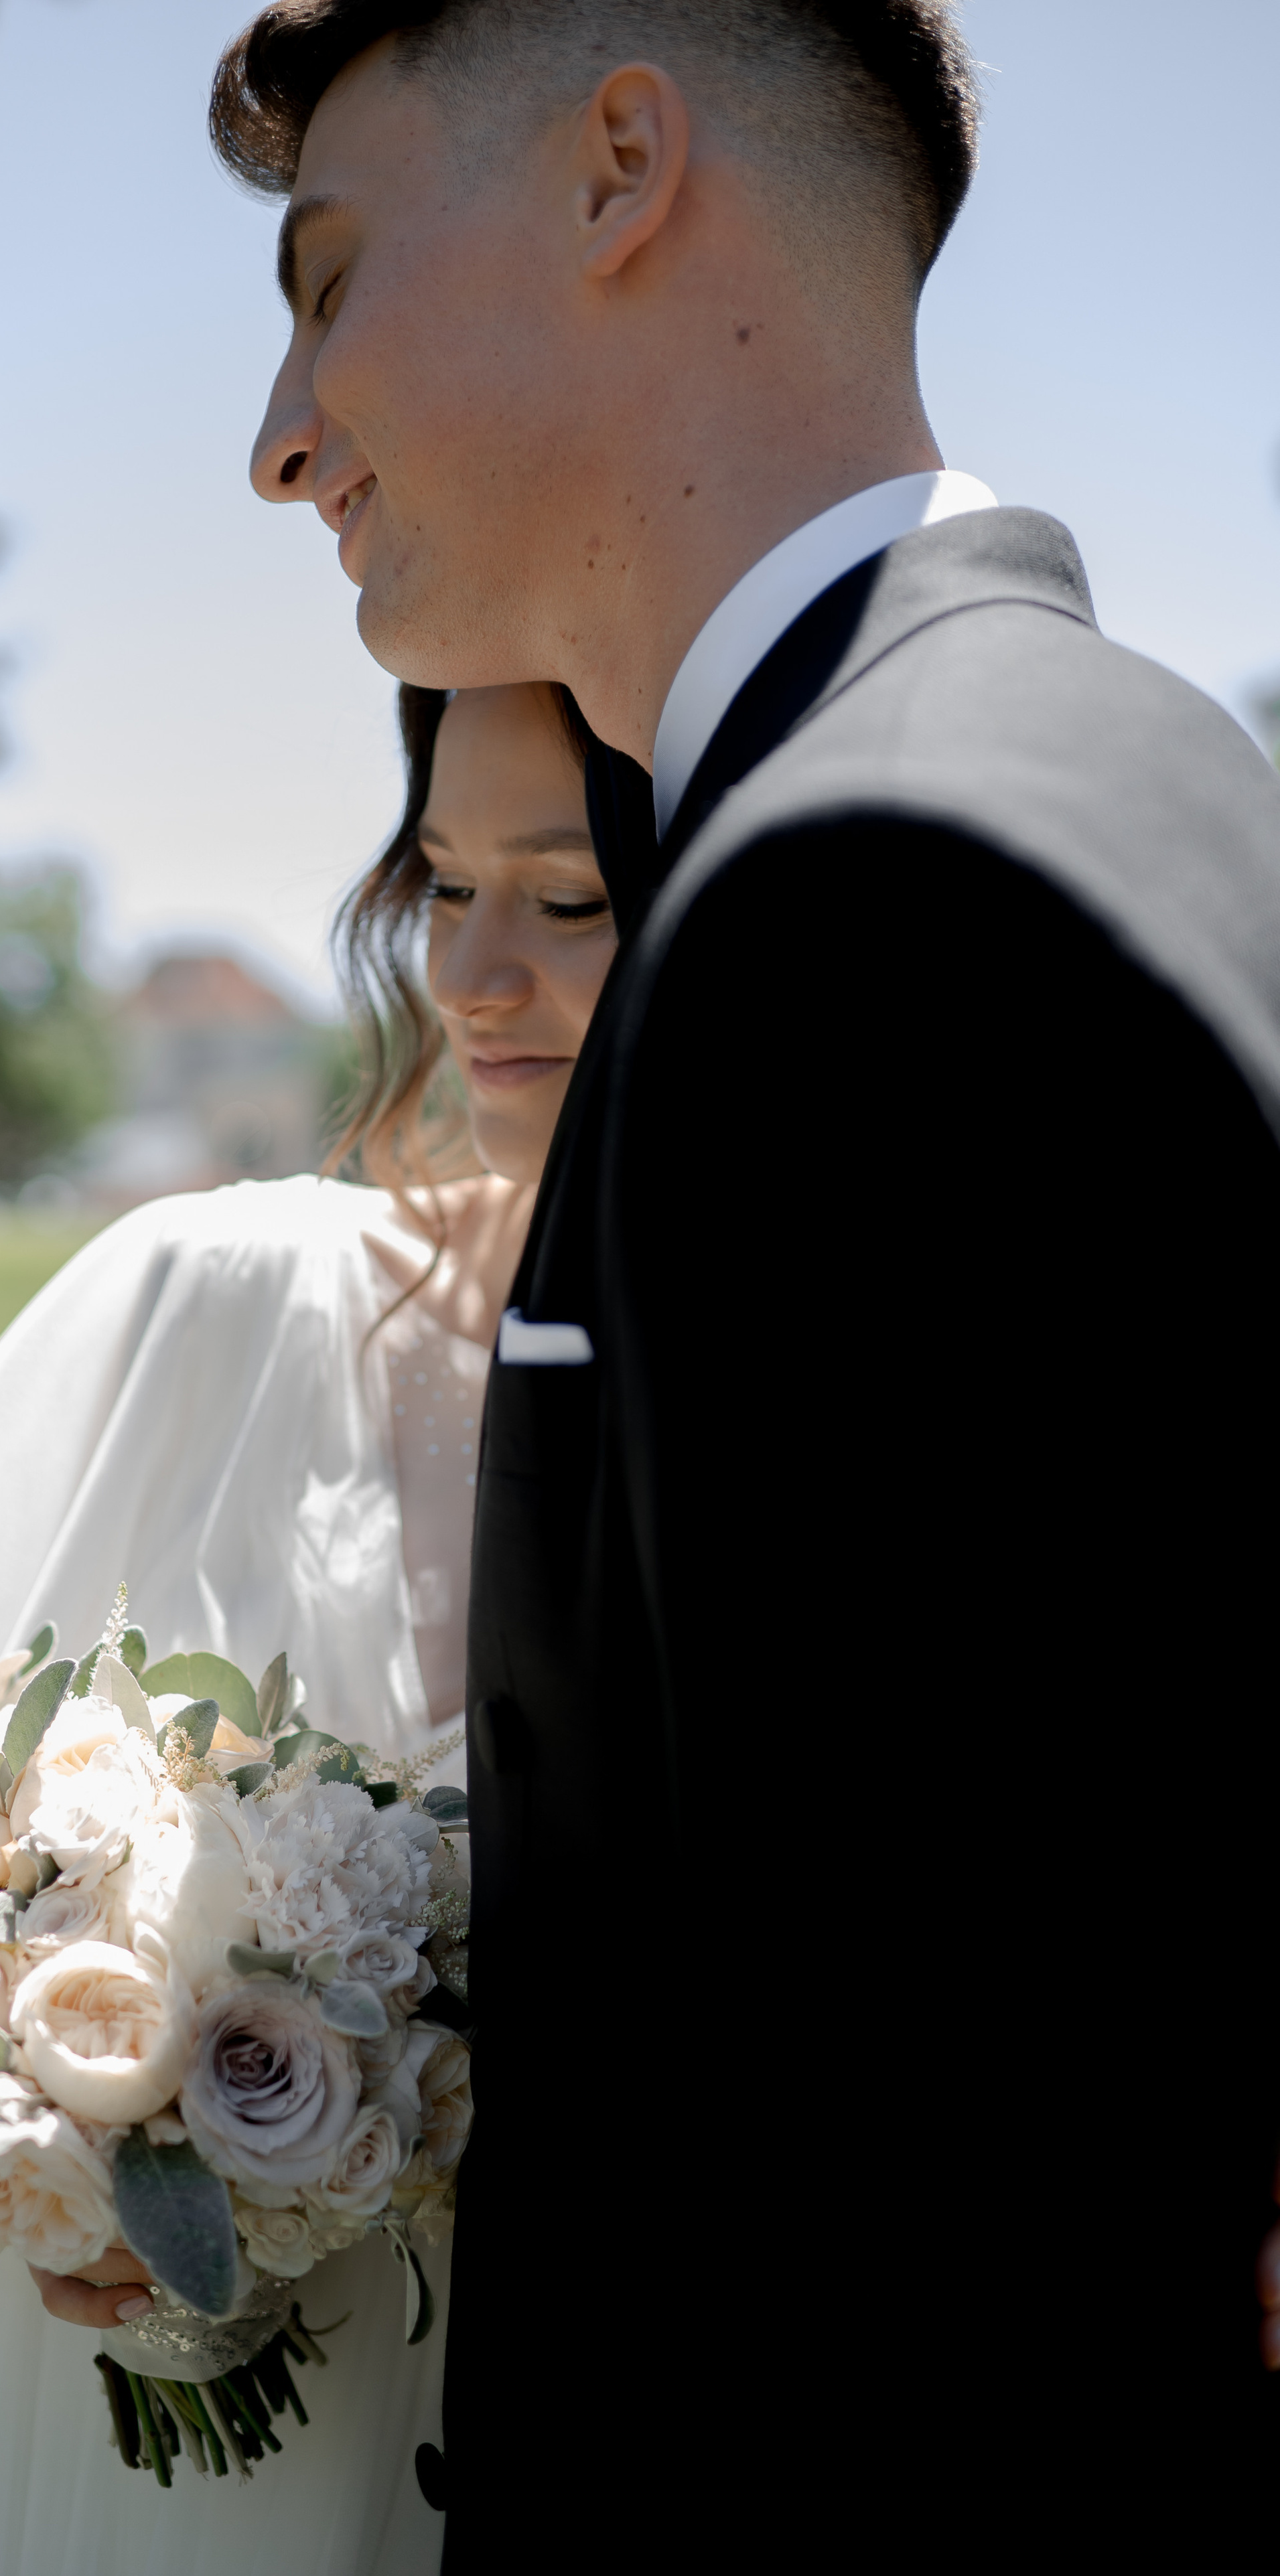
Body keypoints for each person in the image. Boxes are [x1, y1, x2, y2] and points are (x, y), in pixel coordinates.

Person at [216, 1, 1280, 2561]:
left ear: (618, 169)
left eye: (332, 281)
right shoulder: (1142, 761)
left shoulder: (869, 896)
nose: (282, 427)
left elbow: (923, 2180)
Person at [0, 679, 614, 2576]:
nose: (479, 978)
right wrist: (56, 2141)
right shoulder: (214, 1297)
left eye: (573, 899)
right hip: (123, 2436)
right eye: (444, 889)